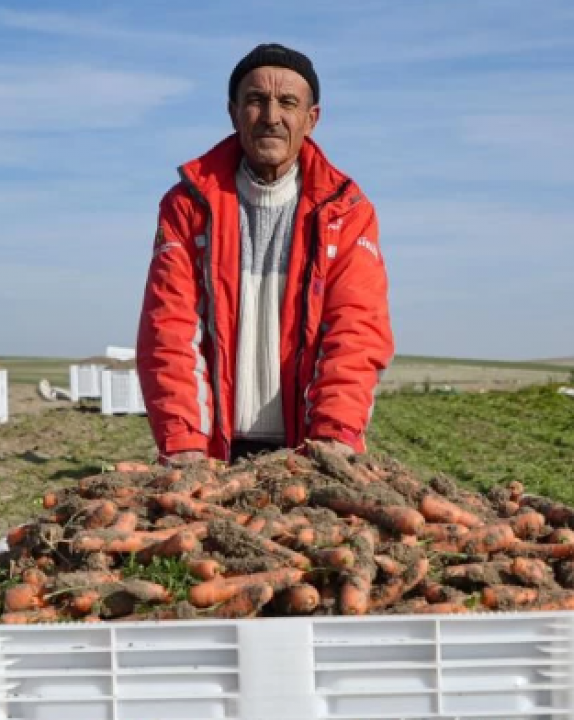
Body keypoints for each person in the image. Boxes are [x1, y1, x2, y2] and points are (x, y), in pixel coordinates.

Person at [137, 43, 395, 465]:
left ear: (311, 119)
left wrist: (334, 437)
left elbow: (356, 330)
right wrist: (184, 444)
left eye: (288, 103)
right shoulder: (187, 207)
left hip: (310, 451)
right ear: (233, 112)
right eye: (256, 100)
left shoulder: (347, 211)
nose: (271, 116)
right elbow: (169, 327)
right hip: (211, 454)